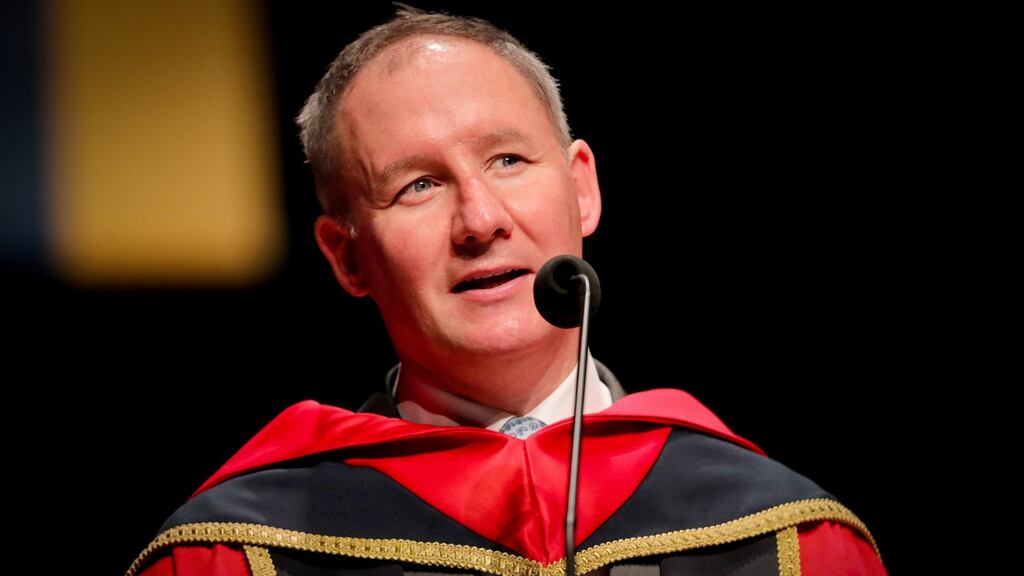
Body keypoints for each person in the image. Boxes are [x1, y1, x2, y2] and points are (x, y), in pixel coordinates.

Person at [128, 7, 886, 576]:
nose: (481, 221)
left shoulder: (789, 539)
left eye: (509, 160)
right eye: (418, 185)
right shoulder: (238, 553)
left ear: (583, 190)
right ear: (345, 257)